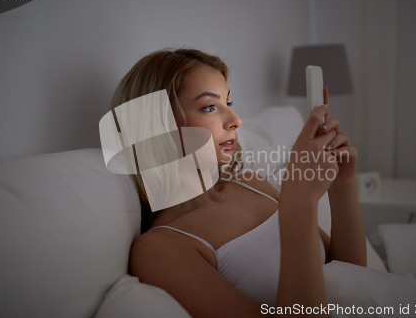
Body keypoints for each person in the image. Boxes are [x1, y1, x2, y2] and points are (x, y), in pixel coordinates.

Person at [111, 48, 366, 317]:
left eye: (228, 104)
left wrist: (342, 184)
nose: (235, 121)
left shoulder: (251, 183)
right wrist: (298, 202)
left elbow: (349, 276)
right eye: (209, 107)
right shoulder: (159, 249)